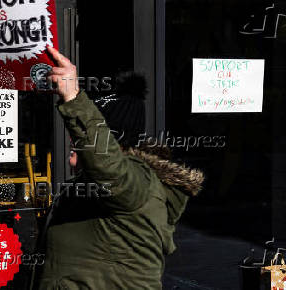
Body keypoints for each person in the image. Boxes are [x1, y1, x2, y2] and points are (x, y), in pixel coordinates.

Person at [33, 47, 204, 289]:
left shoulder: (136, 182)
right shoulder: (89, 188)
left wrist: (73, 98)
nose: (74, 140)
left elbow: (108, 166)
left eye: (83, 136)